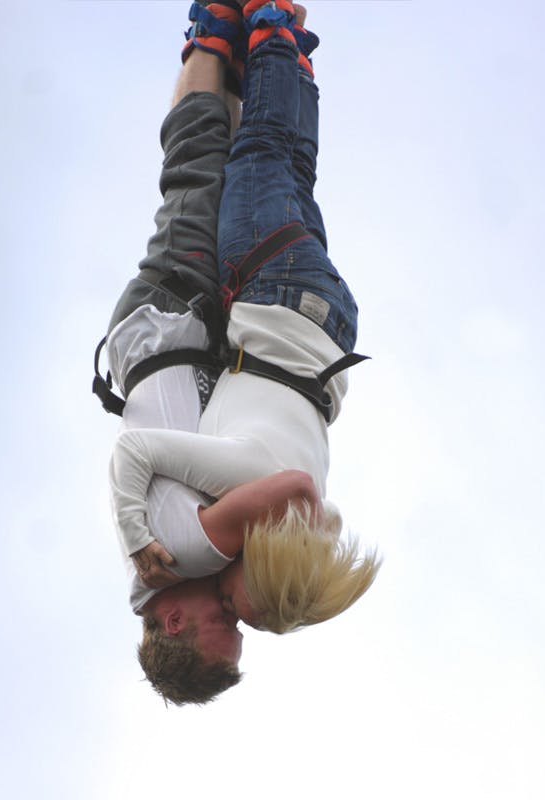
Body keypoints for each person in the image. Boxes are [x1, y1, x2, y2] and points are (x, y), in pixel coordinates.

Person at [109, 0, 380, 651]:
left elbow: (309, 502)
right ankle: (270, 28)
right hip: (264, 302)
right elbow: (285, 489)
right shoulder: (231, 517)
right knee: (256, 155)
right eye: (238, 613)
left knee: (264, 164)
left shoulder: (273, 522)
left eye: (226, 620)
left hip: (301, 327)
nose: (232, 608)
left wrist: (295, 576)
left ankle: (263, 47)